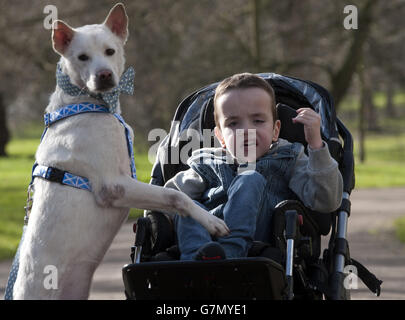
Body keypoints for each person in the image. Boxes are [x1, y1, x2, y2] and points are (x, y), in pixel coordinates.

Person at [164, 73, 343, 260]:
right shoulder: (207, 163)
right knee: (186, 204)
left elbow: (326, 201)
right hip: (205, 243)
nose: (246, 131)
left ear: (275, 130)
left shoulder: (288, 159)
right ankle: (196, 258)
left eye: (258, 121)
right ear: (220, 137)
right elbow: (168, 199)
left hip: (260, 247)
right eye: (233, 123)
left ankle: (230, 252)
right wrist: (157, 220)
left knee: (250, 176)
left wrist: (315, 145)